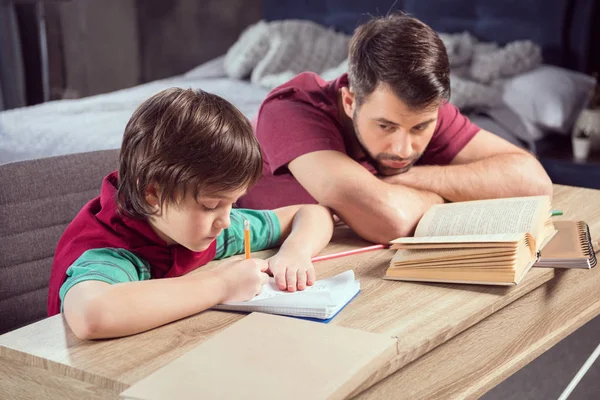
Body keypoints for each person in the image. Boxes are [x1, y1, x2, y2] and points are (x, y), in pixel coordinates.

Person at [237, 13, 553, 244]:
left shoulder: (423, 110)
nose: (403, 149)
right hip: (252, 261)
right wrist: (449, 194)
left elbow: (534, 183)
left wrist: (409, 179)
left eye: (420, 128)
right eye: (385, 126)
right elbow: (391, 220)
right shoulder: (291, 109)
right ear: (349, 101)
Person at [48, 88, 334, 340]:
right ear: (153, 194)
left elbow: (312, 213)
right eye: (210, 206)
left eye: (232, 204)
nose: (225, 221)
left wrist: (295, 252)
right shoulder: (112, 250)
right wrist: (222, 284)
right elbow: (92, 316)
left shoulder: (206, 228)